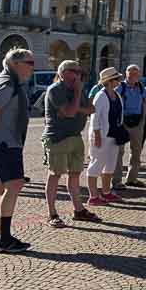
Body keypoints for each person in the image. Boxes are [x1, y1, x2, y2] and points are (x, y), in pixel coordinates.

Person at [0, 48, 34, 252]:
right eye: (30, 63)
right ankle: (4, 239)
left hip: (1, 143)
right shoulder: (6, 85)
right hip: (5, 145)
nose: (32, 67)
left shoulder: (8, 83)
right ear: (15, 64)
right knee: (15, 185)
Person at [42, 60, 100, 228]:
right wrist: (77, 95)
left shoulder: (78, 89)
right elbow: (68, 112)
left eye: (80, 71)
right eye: (76, 71)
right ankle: (52, 213)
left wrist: (77, 104)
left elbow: (91, 109)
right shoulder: (55, 90)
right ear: (64, 73)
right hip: (58, 138)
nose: (79, 74)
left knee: (74, 174)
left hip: (75, 136)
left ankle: (78, 209)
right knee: (55, 174)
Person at [86, 68, 125, 205]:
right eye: (116, 79)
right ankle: (93, 196)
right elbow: (94, 117)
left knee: (110, 165)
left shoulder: (116, 95)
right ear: (109, 81)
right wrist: (96, 135)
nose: (119, 81)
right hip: (101, 135)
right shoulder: (101, 96)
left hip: (114, 135)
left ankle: (106, 192)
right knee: (96, 164)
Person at [113, 65, 146, 189]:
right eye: (131, 74)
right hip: (123, 122)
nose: (133, 76)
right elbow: (115, 103)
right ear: (126, 74)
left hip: (137, 122)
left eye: (135, 74)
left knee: (137, 151)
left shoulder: (141, 87)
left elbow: (143, 103)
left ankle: (132, 178)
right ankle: (116, 181)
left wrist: (143, 120)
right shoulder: (120, 87)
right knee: (119, 152)